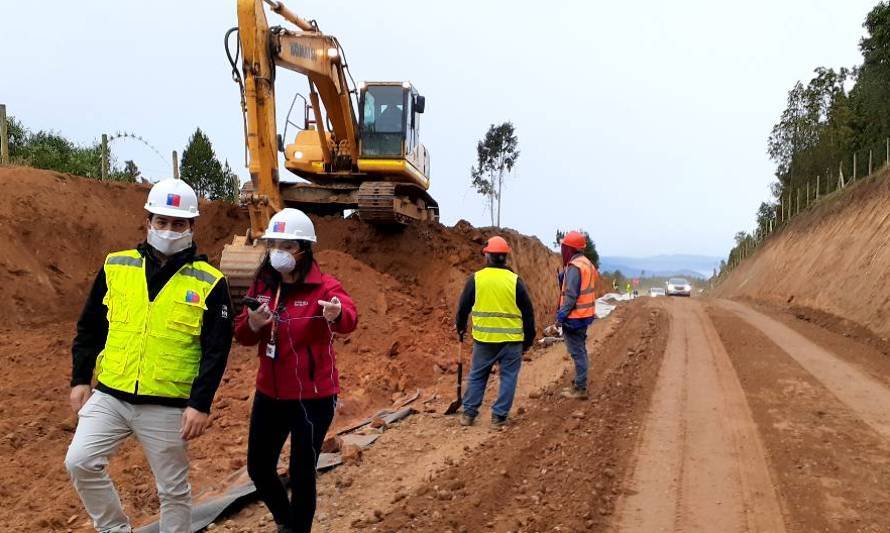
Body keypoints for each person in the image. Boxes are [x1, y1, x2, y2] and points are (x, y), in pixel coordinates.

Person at [66, 178, 233, 533]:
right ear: (148, 222)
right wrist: (81, 378)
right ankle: (114, 529)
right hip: (111, 393)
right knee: (79, 461)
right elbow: (90, 326)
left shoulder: (209, 281)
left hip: (168, 404)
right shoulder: (116, 266)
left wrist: (200, 404)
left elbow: (216, 350)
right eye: (161, 221)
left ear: (192, 227)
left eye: (178, 224)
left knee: (172, 490)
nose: (168, 230)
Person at [234, 208, 357, 533]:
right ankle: (286, 521)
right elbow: (243, 335)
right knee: (259, 467)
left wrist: (337, 313)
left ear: (304, 249)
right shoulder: (262, 285)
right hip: (270, 394)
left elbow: (350, 317)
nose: (280, 252)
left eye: (288, 246)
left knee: (302, 472)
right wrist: (252, 323)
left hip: (312, 399)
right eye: (275, 244)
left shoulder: (324, 286)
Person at [455, 236, 535, 428]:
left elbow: (463, 307)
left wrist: (460, 326)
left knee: (477, 375)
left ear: (488, 256)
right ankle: (499, 417)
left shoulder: (476, 279)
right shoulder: (515, 281)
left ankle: (468, 414)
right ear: (505, 257)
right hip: (512, 341)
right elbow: (528, 313)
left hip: (484, 340)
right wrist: (528, 340)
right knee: (508, 377)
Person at [557, 231, 599, 399]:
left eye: (564, 247)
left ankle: (580, 387)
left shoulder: (575, 267)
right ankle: (580, 382)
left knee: (577, 352)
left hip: (574, 316)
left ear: (570, 249)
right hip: (585, 315)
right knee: (580, 349)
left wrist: (561, 315)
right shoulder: (587, 264)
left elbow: (572, 295)